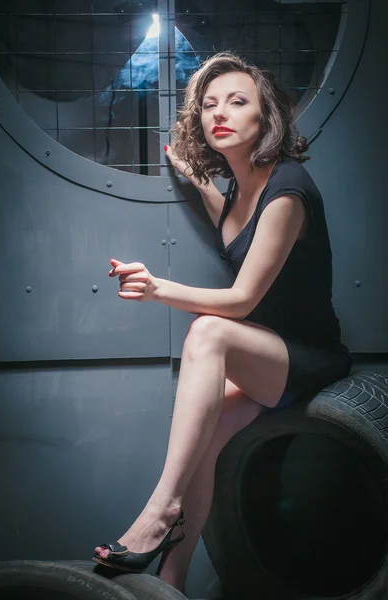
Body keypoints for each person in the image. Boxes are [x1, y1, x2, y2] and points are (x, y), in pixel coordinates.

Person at [92, 52, 352, 595]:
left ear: (267, 118)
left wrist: (158, 287)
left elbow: (240, 299)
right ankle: (172, 581)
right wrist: (195, 179)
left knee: (208, 330)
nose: (220, 113)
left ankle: (158, 513)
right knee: (205, 444)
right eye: (209, 105)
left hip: (307, 356)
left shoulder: (288, 189)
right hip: (262, 354)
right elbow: (234, 227)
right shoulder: (237, 190)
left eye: (238, 102)